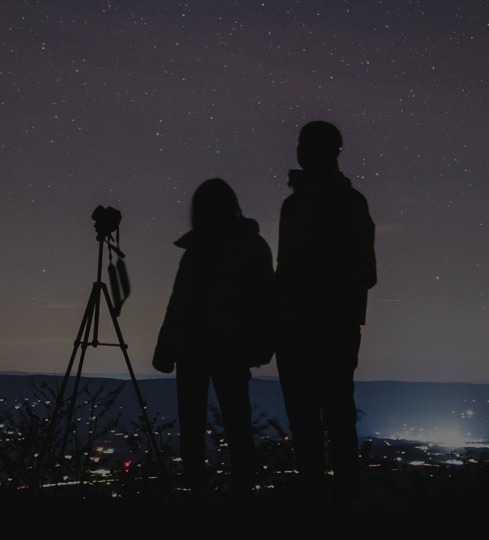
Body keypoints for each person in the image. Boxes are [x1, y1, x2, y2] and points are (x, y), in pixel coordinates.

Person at [274, 120, 377, 506]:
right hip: (295, 328)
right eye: (303, 142)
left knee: (335, 419)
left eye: (315, 144)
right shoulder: (294, 204)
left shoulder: (348, 203)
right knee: (305, 422)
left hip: (330, 327)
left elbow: (363, 270)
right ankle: (315, 504)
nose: (305, 150)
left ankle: (342, 505)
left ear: (334, 151)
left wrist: (335, 308)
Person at [152, 178, 274, 493]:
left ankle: (243, 495)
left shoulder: (250, 245)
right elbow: (178, 302)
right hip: (191, 348)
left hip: (228, 348)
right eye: (209, 202)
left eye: (220, 202)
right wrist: (167, 347)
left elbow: (264, 299)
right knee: (192, 428)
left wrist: (259, 345)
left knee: (236, 424)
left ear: (231, 205)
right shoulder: (194, 249)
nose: (214, 208)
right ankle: (198, 494)